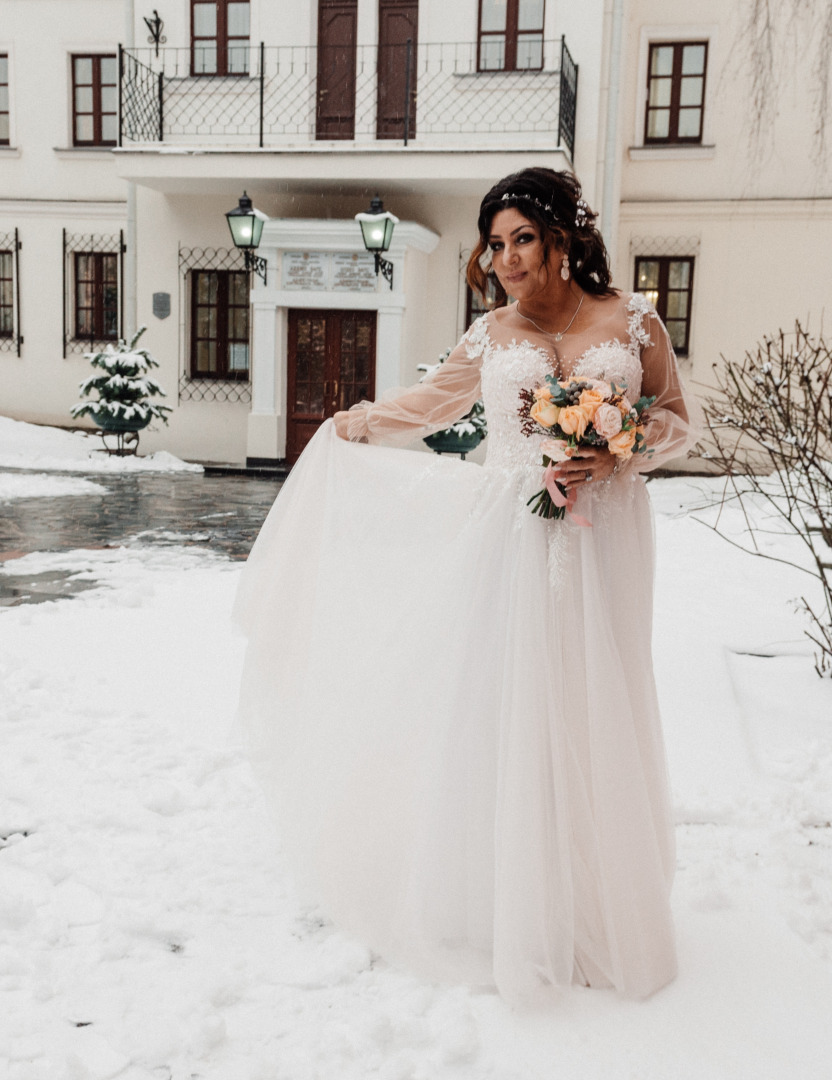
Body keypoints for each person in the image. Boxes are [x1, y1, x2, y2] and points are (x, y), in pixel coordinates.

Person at [234, 168, 697, 1000]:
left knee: (598, 698)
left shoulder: (632, 321)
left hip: (608, 542)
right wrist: (359, 423)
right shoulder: (491, 332)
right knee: (507, 703)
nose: (508, 257)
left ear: (563, 239)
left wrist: (622, 446)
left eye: (523, 237)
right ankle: (502, 902)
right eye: (495, 242)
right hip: (511, 535)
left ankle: (596, 899)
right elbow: (431, 404)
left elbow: (678, 416)